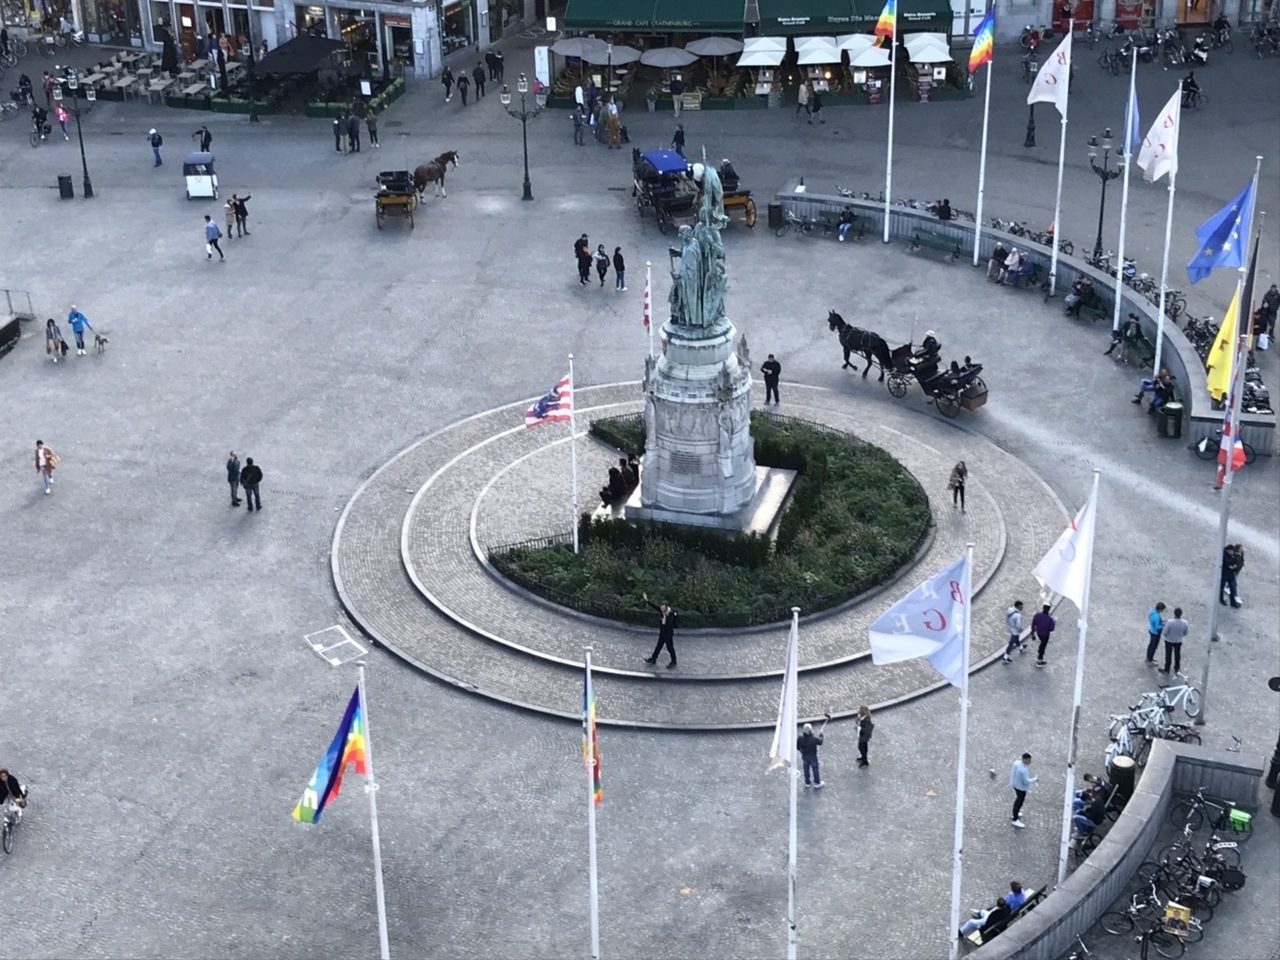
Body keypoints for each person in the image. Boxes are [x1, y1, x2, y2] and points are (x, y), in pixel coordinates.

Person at [959, 882, 1028, 939]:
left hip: (988, 920)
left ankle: (961, 932)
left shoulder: (1007, 907)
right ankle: (979, 913)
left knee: (971, 922)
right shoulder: (1020, 894)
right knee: (983, 912)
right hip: (992, 914)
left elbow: (990, 919)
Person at [641, 593, 678, 669]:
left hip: (668, 634)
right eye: (661, 608)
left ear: (666, 608)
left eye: (663, 608)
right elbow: (654, 606)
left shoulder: (670, 614)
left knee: (670, 648)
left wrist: (664, 619)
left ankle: (674, 661)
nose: (662, 609)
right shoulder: (662, 611)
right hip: (662, 633)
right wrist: (647, 600)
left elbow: (670, 624)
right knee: (658, 646)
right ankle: (653, 659)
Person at [1010, 753, 1038, 828]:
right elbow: (1026, 781)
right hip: (1021, 788)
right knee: (1019, 801)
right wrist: (1035, 779)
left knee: (1018, 800)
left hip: (1015, 784)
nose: (1030, 762)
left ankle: (1015, 813)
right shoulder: (1023, 770)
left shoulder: (1016, 763)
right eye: (1029, 760)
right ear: (1025, 759)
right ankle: (1015, 819)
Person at [1159, 607, 1188, 674]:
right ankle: (1177, 667)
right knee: (1177, 654)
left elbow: (1165, 632)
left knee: (1168, 655)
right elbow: (1186, 632)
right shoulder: (1185, 623)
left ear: (1174, 613)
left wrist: (1167, 636)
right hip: (1178, 641)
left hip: (1169, 640)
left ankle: (1167, 669)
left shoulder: (1170, 622)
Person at [797, 722, 824, 787]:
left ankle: (807, 782)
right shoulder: (814, 739)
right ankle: (817, 782)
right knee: (815, 769)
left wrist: (802, 751)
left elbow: (797, 747)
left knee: (806, 769)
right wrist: (821, 735)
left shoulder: (800, 739)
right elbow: (820, 742)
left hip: (805, 756)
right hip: (813, 756)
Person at [1146, 601, 1166, 666]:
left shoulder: (1152, 611)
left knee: (1151, 644)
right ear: (1160, 609)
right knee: (1154, 646)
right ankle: (1150, 659)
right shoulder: (1156, 616)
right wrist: (1163, 625)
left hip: (1151, 629)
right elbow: (1157, 627)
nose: (1162, 611)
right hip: (1155, 632)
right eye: (1162, 610)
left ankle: (1148, 657)